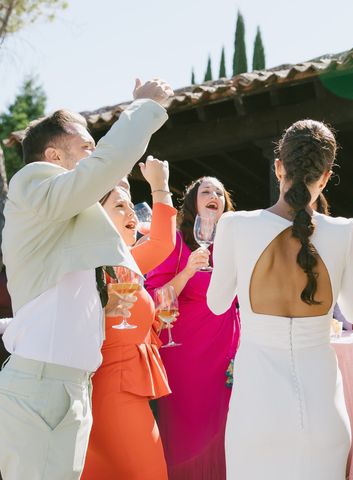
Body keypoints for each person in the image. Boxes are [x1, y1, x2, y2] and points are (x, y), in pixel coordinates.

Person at [0, 78, 171, 480]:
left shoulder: (64, 219)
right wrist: (143, 108)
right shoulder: (31, 183)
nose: (95, 155)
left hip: (71, 388)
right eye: (86, 147)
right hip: (41, 388)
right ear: (52, 155)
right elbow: (101, 170)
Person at [207, 119, 353, 479]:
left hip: (257, 409)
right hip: (323, 410)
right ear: (325, 176)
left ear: (278, 167)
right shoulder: (347, 232)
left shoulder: (235, 226)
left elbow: (217, 303)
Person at [81, 157, 176, 479]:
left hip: (119, 387)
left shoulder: (122, 264)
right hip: (115, 391)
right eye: (119, 206)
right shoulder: (102, 265)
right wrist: (159, 185)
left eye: (130, 205)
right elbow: (163, 242)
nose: (131, 212)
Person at [145, 176, 240, 479]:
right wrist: (187, 271)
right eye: (206, 191)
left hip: (228, 357)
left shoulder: (234, 247)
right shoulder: (175, 245)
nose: (214, 195)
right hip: (187, 358)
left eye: (219, 192)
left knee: (228, 429)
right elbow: (153, 300)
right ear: (192, 204)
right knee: (191, 436)